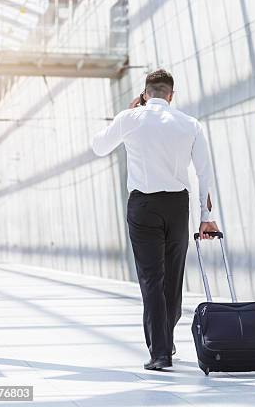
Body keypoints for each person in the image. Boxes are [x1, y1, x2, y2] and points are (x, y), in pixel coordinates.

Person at [91, 69, 219, 370]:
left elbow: (98, 146)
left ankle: (160, 352)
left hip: (143, 206)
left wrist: (129, 110)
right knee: (172, 279)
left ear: (145, 94)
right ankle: (165, 338)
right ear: (171, 96)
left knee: (151, 280)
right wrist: (206, 216)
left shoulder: (129, 118)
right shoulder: (190, 124)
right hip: (177, 206)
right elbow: (204, 173)